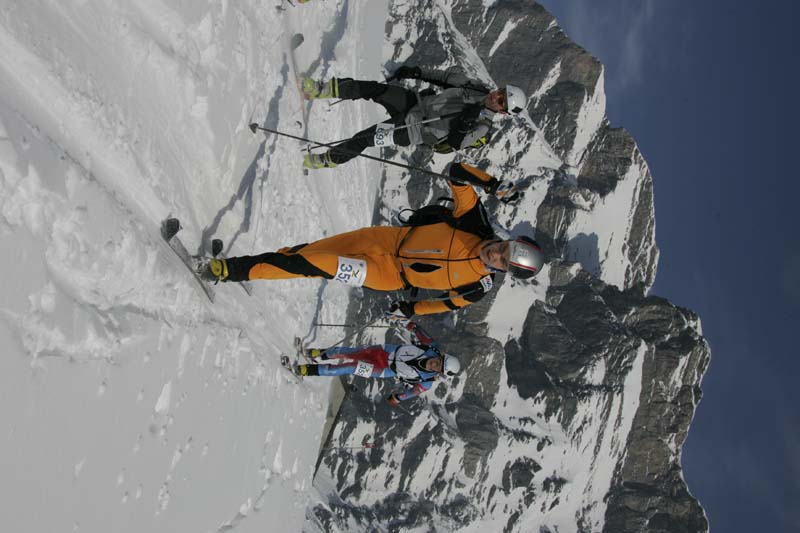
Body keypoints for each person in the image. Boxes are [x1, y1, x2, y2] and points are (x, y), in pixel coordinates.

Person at [199, 161, 545, 316]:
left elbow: (444, 304)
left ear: (505, 272)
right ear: (508, 239)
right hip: (381, 239)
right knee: (307, 252)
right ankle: (257, 265)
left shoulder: (478, 287)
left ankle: (227, 271)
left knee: (313, 264)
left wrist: (410, 309)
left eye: (504, 262)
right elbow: (456, 172)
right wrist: (492, 184)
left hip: (385, 275)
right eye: (505, 248)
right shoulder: (475, 223)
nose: (496, 254)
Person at [300, 65, 527, 169]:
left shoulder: (482, 126)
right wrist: (417, 72)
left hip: (414, 129)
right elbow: (444, 78)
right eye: (501, 92)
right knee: (374, 89)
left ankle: (328, 160)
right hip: (416, 103)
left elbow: (455, 143)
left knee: (365, 138)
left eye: (501, 101)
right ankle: (322, 89)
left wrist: (466, 121)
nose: (496, 97)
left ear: (502, 112)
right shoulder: (475, 87)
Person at [295, 317, 459, 405]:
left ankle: (306, 370)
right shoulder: (432, 348)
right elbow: (419, 331)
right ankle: (318, 353)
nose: (434, 364)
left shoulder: (426, 382)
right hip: (386, 350)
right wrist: (410, 325)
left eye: (438, 367)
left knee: (349, 367)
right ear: (440, 356)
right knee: (350, 353)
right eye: (438, 360)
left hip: (383, 370)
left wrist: (398, 398)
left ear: (439, 373)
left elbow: (411, 393)